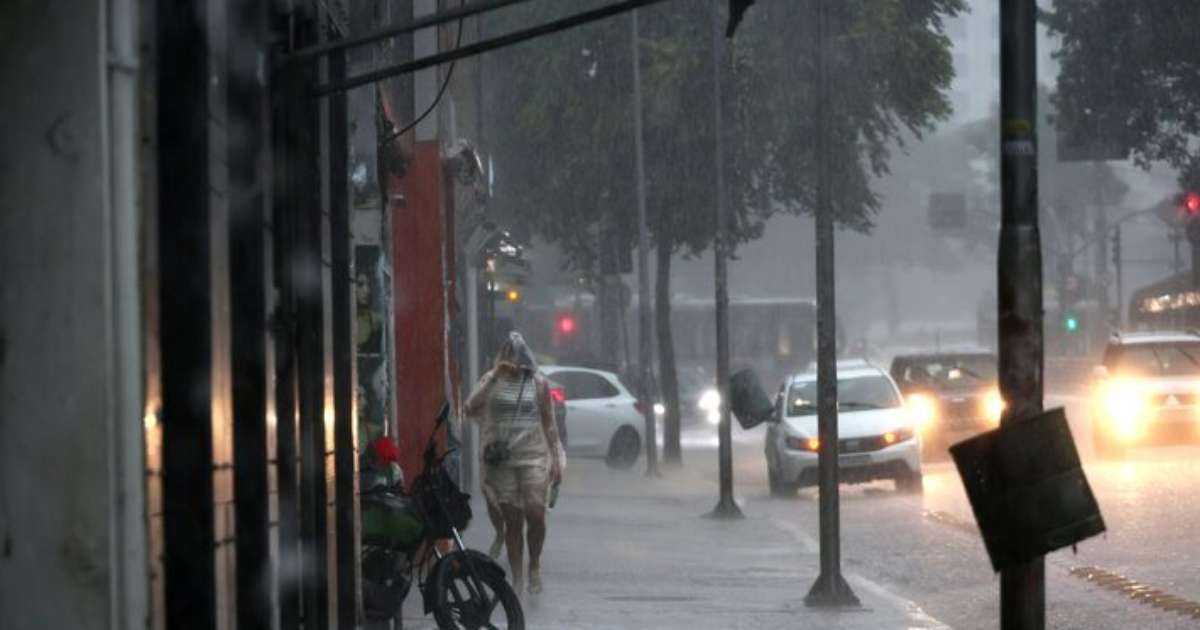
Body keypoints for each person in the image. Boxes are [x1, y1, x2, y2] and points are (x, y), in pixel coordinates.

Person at [465, 332, 563, 594]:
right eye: (508, 354)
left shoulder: (538, 383)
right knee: (513, 522)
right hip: (504, 461)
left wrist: (555, 458)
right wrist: (496, 375)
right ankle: (518, 579)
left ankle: (535, 564)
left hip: (534, 456)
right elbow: (470, 407)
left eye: (518, 355)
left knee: (536, 514)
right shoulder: (491, 380)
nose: (514, 360)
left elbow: (549, 424)